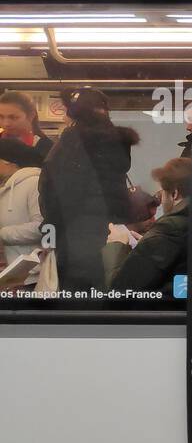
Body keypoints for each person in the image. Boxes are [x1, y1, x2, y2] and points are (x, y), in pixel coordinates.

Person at [37, 87, 140, 292]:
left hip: (75, 232)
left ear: (72, 113)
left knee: (75, 295)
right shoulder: (116, 142)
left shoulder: (72, 143)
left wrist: (48, 235)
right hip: (109, 230)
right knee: (101, 288)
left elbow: (56, 194)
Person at [102, 157, 190, 294]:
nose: (162, 201)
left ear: (175, 193)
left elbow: (119, 293)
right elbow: (180, 289)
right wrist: (146, 247)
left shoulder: (169, 231)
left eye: (162, 194)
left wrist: (116, 244)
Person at [0, 138, 45, 286]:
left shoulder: (33, 184)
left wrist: (2, 234)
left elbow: (42, 227)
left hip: (32, 277)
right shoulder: (4, 188)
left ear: (7, 162)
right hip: (10, 277)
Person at [0, 91, 53, 158]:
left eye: (13, 117)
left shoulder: (47, 149)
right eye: (1, 117)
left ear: (31, 116)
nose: (6, 123)